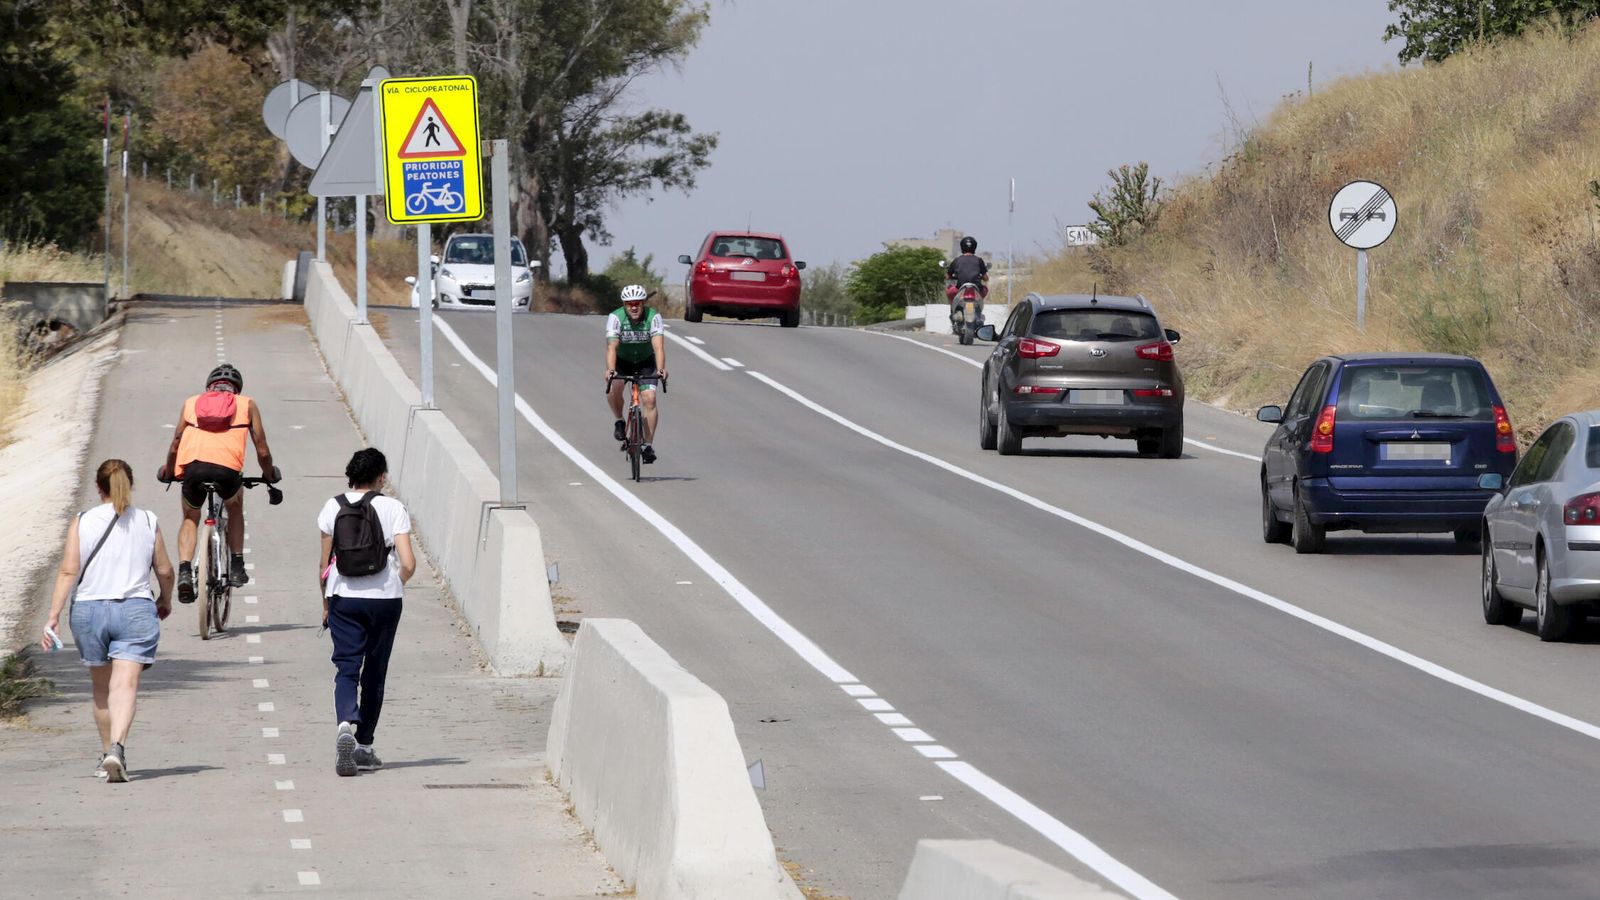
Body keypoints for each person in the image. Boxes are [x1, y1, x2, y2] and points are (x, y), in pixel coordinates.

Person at [40, 459, 174, 784]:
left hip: (89, 611)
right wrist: (165, 599)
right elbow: (165, 570)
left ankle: (105, 755)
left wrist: (53, 616)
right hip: (135, 609)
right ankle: (118, 747)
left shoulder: (82, 521)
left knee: (101, 688)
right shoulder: (147, 520)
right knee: (124, 685)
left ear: (98, 487)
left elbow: (69, 571)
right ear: (131, 484)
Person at [317, 448, 415, 777]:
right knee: (375, 672)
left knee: (346, 668)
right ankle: (364, 746)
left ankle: (345, 722)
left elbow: (323, 564)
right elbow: (409, 564)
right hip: (385, 599)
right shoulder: (393, 508)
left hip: (343, 595)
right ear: (381, 477)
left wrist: (326, 602)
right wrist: (394, 585)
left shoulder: (333, 506)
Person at [157, 363, 278, 604]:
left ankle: (184, 570)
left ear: (209, 387)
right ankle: (236, 565)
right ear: (237, 389)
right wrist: (270, 475)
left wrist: (169, 471)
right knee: (234, 508)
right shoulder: (247, 405)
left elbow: (175, 444)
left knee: (191, 517)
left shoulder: (191, 403)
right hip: (227, 472)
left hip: (193, 469)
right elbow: (262, 451)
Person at [605, 284, 668, 464]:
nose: (633, 307)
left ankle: (647, 445)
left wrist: (662, 368)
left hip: (645, 362)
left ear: (643, 303)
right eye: (629, 303)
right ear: (624, 305)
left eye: (637, 303)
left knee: (649, 398)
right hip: (622, 361)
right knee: (613, 388)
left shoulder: (653, 317)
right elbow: (611, 347)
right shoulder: (615, 318)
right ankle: (619, 420)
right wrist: (610, 369)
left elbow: (658, 346)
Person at [945, 235, 990, 324]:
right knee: (985, 290)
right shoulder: (979, 260)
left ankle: (953, 310)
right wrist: (981, 276)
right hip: (976, 289)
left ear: (962, 247)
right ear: (974, 247)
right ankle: (978, 308)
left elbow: (947, 277)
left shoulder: (957, 260)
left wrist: (952, 276)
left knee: (949, 291)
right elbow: (986, 278)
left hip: (960, 288)